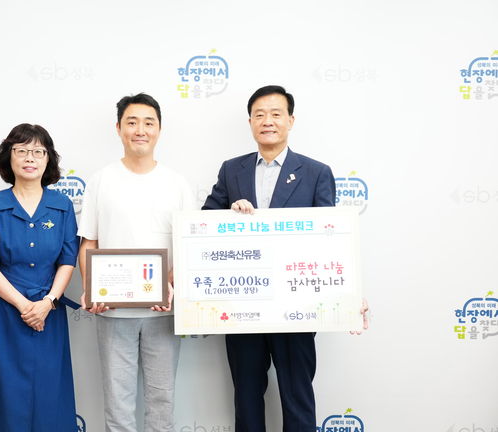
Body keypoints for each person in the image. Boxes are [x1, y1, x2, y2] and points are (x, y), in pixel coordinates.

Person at [202, 85, 369, 432]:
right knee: (247, 395)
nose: (268, 121)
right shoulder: (231, 170)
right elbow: (204, 226)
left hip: (297, 306)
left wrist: (349, 295)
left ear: (290, 121)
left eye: (276, 114)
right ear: (250, 122)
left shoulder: (316, 172)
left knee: (297, 396)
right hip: (244, 306)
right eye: (259, 115)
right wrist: (229, 214)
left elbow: (331, 240)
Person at [77, 93, 194, 432]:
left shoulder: (177, 183)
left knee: (162, 403)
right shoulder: (101, 180)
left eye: (148, 123)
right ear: (118, 128)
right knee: (118, 405)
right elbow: (89, 242)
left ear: (159, 129)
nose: (140, 130)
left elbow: (188, 246)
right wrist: (92, 288)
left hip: (164, 312)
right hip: (112, 312)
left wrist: (169, 284)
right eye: (132, 122)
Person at [0, 123, 80, 431]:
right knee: (2, 392)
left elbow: (68, 260)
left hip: (48, 312)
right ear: (9, 157)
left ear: (48, 159)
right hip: (3, 313)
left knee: (48, 391)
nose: (30, 158)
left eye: (38, 151)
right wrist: (24, 305)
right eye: (22, 151)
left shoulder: (62, 206)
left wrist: (48, 301)